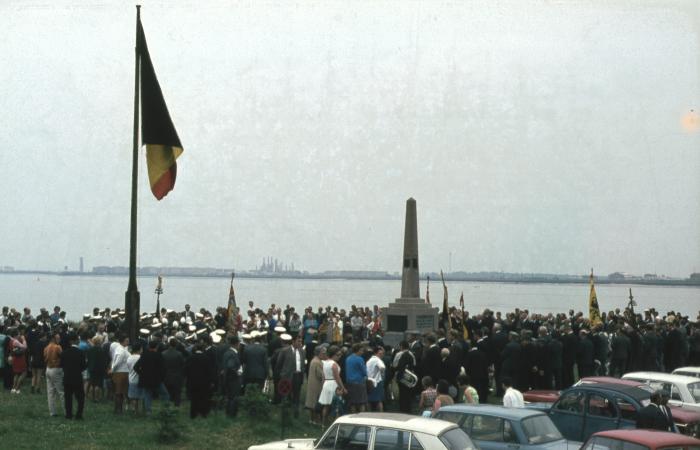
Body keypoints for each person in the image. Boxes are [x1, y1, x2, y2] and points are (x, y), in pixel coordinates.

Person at [276, 334, 306, 417]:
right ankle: (284, 413)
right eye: (298, 341)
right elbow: (279, 364)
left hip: (298, 376)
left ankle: (296, 412)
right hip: (287, 376)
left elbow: (303, 364)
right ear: (293, 341)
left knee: (297, 394)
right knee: (285, 395)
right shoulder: (285, 351)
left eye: (301, 341)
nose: (300, 343)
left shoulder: (302, 351)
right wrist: (282, 374)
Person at [136, 340, 168, 415]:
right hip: (157, 379)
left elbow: (136, 367)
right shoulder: (159, 355)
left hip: (145, 379)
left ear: (148, 346)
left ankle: (148, 412)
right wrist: (161, 377)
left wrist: (142, 374)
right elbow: (163, 368)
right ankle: (165, 410)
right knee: (165, 394)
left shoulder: (144, 355)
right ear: (156, 347)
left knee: (147, 395)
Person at [319, 346, 346, 429]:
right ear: (333, 354)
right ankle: (335, 425)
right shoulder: (334, 364)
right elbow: (337, 377)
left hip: (326, 383)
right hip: (333, 383)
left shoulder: (325, 362)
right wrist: (342, 388)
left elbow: (323, 376)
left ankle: (323, 424)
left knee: (326, 405)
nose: (339, 356)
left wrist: (323, 385)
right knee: (336, 405)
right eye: (338, 355)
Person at [61, 332, 87, 420]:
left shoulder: (64, 353)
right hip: (77, 378)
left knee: (68, 398)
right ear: (75, 340)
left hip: (67, 377)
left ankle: (68, 414)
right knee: (80, 397)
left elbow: (62, 365)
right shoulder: (81, 353)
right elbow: (84, 366)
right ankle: (79, 414)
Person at [185, 342, 215, 419]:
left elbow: (186, 370)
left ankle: (193, 414)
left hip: (193, 381)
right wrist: (211, 381)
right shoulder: (206, 358)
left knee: (194, 398)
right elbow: (210, 371)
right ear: (203, 349)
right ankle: (203, 413)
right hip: (204, 382)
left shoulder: (190, 357)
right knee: (203, 397)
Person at [44, 332, 64, 416]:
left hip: (48, 369)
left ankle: (52, 412)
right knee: (62, 392)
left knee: (50, 392)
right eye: (58, 338)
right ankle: (66, 411)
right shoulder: (57, 347)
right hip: (56, 369)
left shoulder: (46, 348)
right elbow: (63, 357)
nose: (59, 339)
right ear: (53, 339)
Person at [221, 336, 242, 418]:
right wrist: (237, 373)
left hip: (227, 378)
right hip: (233, 379)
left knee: (230, 397)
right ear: (237, 344)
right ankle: (232, 414)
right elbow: (230, 366)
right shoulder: (233, 354)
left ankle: (228, 413)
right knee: (234, 397)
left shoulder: (227, 353)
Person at [305, 345, 326, 425]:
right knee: (315, 403)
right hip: (317, 385)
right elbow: (320, 374)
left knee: (312, 403)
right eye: (323, 353)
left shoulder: (314, 360)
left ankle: (312, 420)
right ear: (318, 353)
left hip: (313, 384)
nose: (324, 354)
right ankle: (315, 420)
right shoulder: (318, 362)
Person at [162, 337, 185, 407]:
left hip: (166, 376)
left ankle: (166, 406)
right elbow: (182, 365)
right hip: (177, 376)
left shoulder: (163, 353)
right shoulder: (179, 354)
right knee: (177, 392)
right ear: (176, 345)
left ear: (169, 344)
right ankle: (177, 405)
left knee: (167, 392)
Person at [345, 343, 368, 413]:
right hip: (359, 382)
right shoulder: (359, 359)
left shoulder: (348, 358)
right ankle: (362, 417)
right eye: (361, 350)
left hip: (349, 382)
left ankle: (353, 416)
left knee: (352, 403)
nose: (362, 352)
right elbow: (364, 372)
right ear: (357, 350)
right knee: (362, 402)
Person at [110, 334, 130, 414]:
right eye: (126, 340)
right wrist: (113, 369)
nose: (128, 342)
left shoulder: (122, 349)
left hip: (122, 371)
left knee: (120, 392)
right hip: (120, 372)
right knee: (119, 392)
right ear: (122, 341)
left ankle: (118, 409)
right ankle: (118, 409)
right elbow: (117, 361)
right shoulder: (121, 350)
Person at [86, 335, 107, 402]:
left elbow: (88, 359)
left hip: (91, 368)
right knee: (98, 384)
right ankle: (97, 398)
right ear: (99, 342)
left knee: (92, 383)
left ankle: (92, 397)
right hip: (99, 369)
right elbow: (103, 360)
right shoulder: (101, 350)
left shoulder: (90, 349)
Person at [366, 346, 386, 412]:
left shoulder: (369, 360)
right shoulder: (378, 360)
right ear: (376, 353)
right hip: (377, 382)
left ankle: (369, 414)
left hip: (369, 381)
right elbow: (382, 367)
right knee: (379, 400)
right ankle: (381, 414)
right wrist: (382, 374)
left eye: (382, 353)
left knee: (369, 400)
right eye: (380, 353)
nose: (382, 355)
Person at [9, 327, 27, 394]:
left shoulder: (11, 340)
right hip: (20, 358)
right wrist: (24, 339)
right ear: (16, 334)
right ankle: (17, 388)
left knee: (16, 374)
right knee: (23, 373)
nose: (19, 335)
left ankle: (13, 388)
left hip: (14, 358)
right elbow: (24, 347)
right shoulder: (16, 341)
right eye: (18, 334)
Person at [126, 342, 143, 413]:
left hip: (131, 378)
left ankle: (133, 408)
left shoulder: (129, 357)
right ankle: (136, 410)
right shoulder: (140, 357)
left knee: (133, 396)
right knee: (138, 397)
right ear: (139, 349)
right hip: (139, 379)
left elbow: (128, 367)